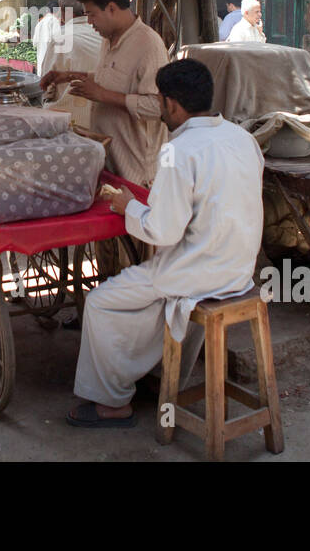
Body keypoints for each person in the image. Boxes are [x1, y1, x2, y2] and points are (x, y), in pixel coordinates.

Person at [67, 59, 264, 427]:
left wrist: (127, 206)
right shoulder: (243, 138)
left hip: (196, 272)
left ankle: (113, 403)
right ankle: (154, 375)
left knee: (99, 302)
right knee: (152, 301)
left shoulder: (179, 149)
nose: (159, 108)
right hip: (239, 271)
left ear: (171, 104)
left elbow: (164, 232)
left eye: (159, 101)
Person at [38, 0, 168, 187]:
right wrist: (66, 75)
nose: (88, 21)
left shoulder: (148, 45)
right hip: (110, 161)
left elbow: (158, 106)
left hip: (136, 171)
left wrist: (102, 95)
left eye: (91, 14)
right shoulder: (108, 40)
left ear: (111, 8)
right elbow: (105, 78)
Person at [42, 0, 105, 124]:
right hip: (104, 118)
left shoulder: (61, 37)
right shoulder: (103, 33)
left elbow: (46, 81)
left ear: (63, 11)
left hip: (73, 121)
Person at [31, 1, 62, 77]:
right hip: (51, 63)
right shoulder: (54, 21)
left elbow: (34, 43)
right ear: (58, 10)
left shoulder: (40, 23)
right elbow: (58, 41)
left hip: (41, 61)